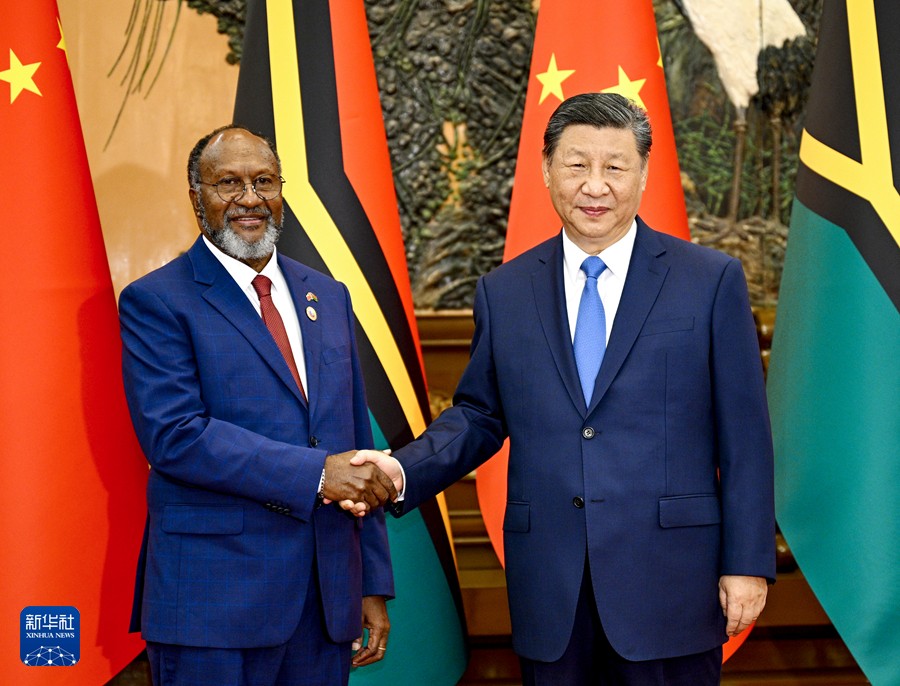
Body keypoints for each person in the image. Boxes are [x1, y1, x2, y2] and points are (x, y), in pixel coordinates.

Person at [351, 93, 775, 685]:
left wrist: (748, 563)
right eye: (577, 165)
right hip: (552, 588)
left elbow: (746, 437)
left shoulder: (709, 281)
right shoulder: (505, 290)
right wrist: (400, 470)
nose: (595, 186)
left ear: (644, 173)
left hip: (672, 583)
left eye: (615, 166)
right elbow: (478, 416)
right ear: (547, 170)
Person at [119, 125, 397, 686]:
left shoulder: (328, 295)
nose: (250, 199)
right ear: (197, 197)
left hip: (325, 601)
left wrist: (369, 581)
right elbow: (177, 436)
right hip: (213, 605)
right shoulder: (156, 300)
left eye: (264, 182)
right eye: (229, 183)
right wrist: (318, 474)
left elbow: (352, 444)